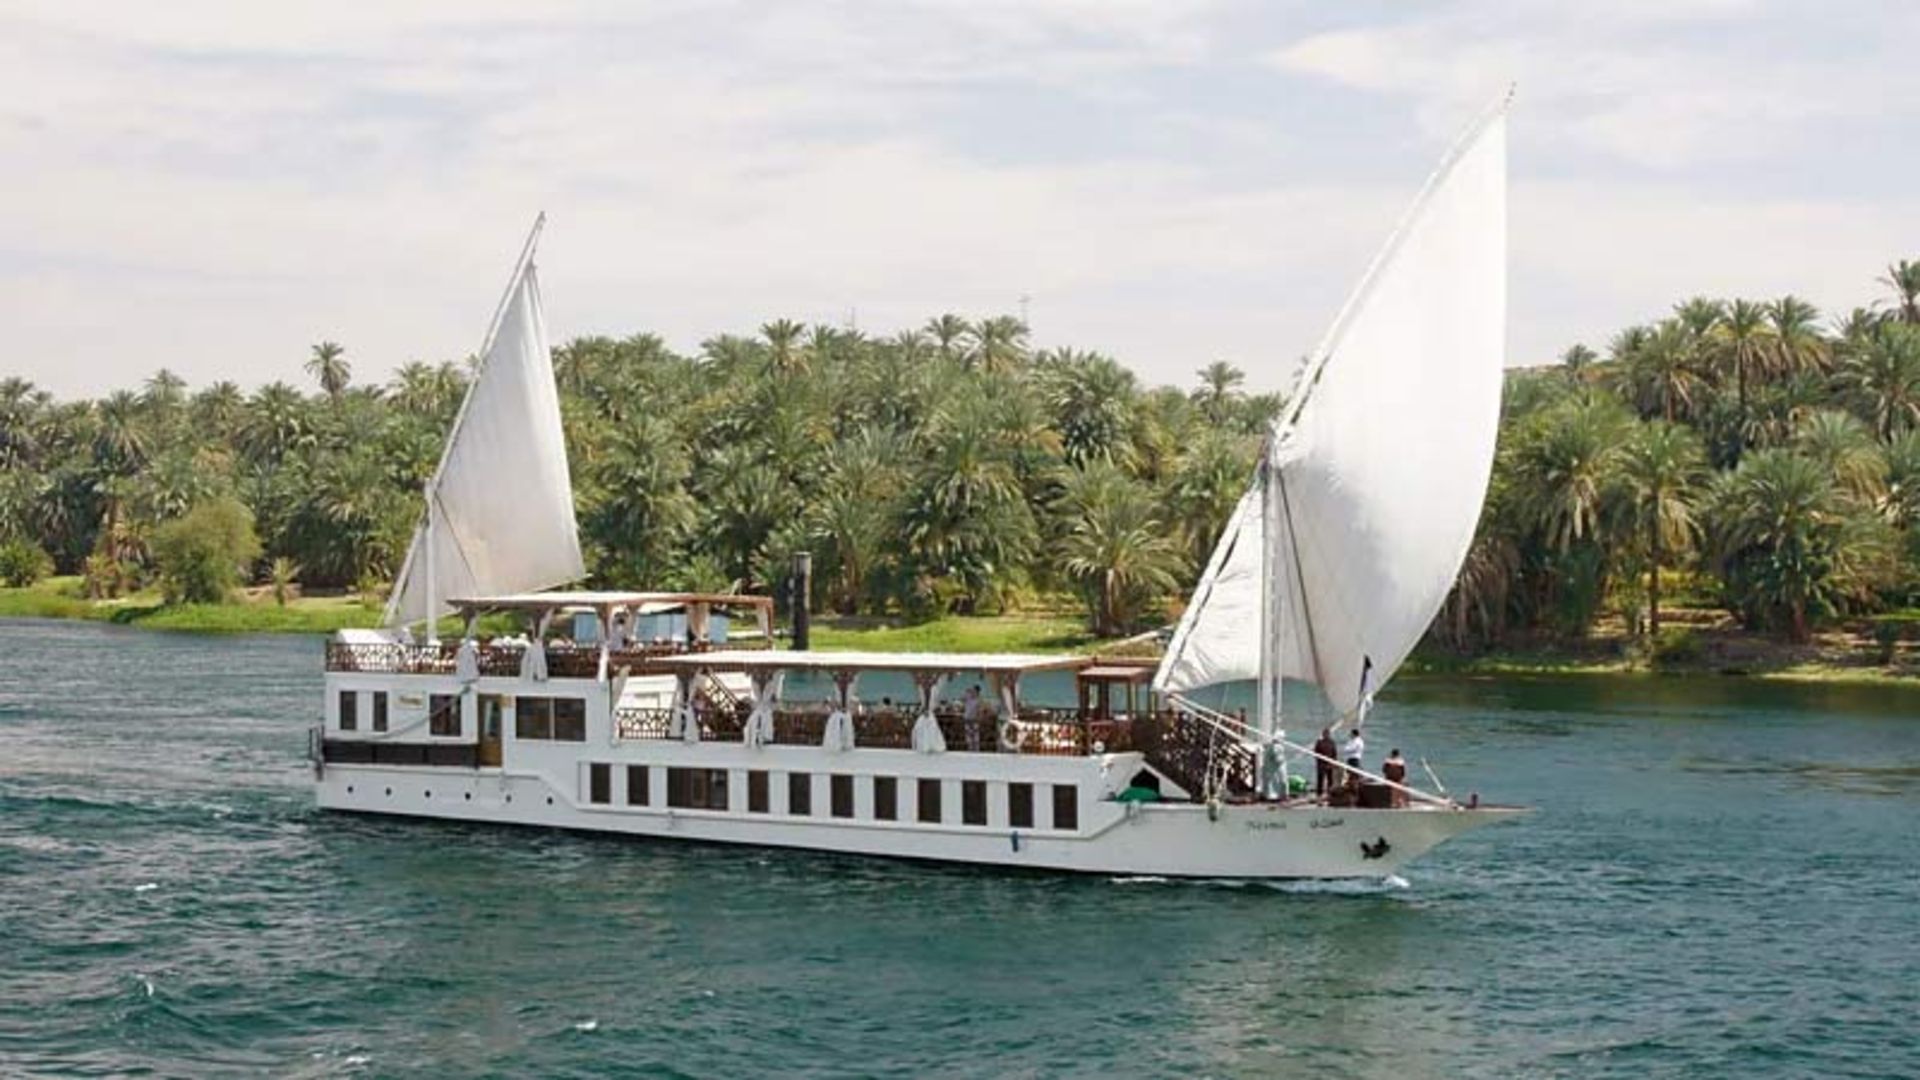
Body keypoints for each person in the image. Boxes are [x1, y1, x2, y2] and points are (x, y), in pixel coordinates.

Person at [1313, 727, 1339, 798]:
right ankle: (1319, 793)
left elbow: (1334, 753)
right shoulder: (1319, 742)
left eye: (1327, 733)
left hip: (1329, 764)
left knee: (1330, 779)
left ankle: (1329, 793)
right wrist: (1318, 762)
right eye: (1324, 733)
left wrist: (1334, 762)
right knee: (1320, 779)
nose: (1326, 735)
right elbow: (1316, 752)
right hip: (1321, 764)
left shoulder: (1332, 742)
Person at [962, 684, 983, 751]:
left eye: (974, 691)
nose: (973, 692)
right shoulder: (968, 697)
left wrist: (979, 717)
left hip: (975, 719)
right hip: (967, 718)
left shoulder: (978, 700)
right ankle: (970, 748)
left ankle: (976, 749)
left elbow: (979, 710)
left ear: (977, 692)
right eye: (973, 690)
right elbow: (962, 698)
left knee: (976, 735)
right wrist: (967, 691)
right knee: (968, 734)